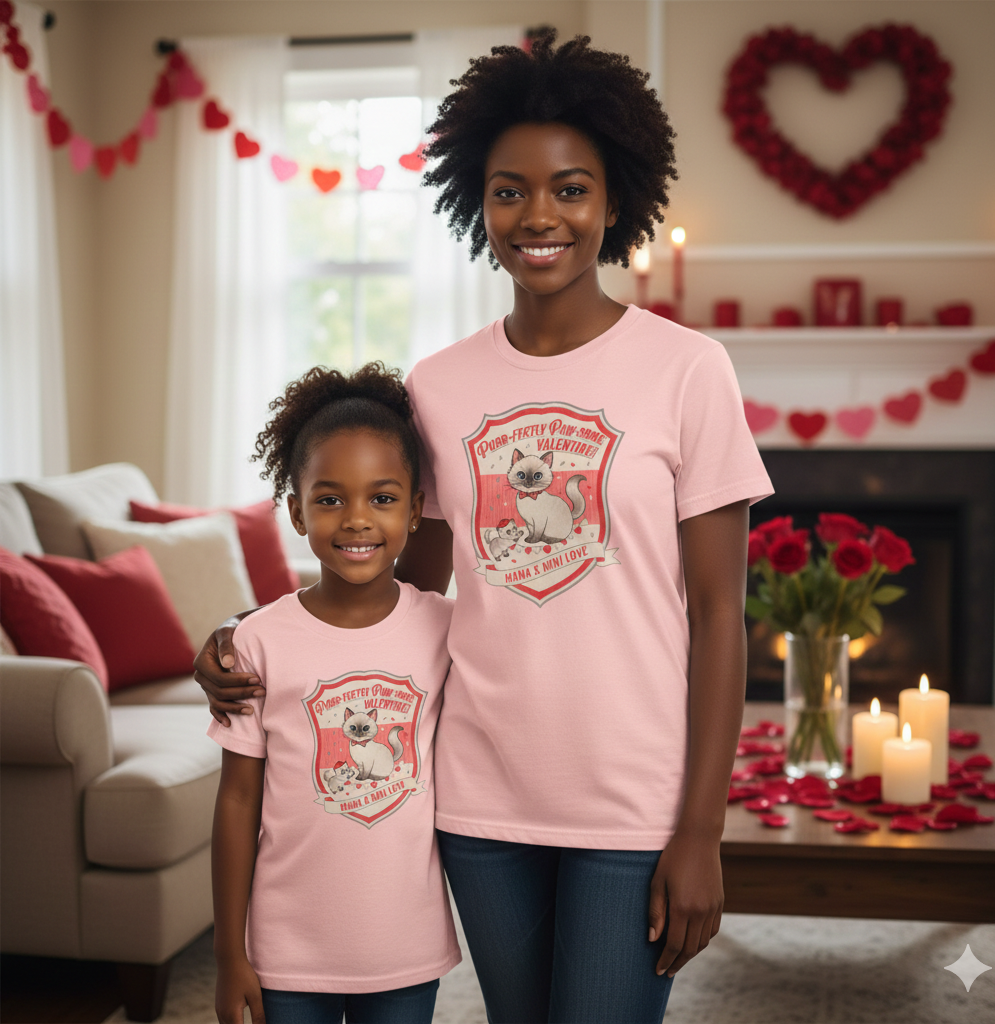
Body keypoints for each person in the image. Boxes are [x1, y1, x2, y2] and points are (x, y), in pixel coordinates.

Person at [198, 31, 772, 1024]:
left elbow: (722, 614)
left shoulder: (688, 371)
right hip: (476, 800)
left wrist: (700, 829)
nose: (538, 216)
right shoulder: (440, 385)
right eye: (509, 190)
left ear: (616, 198)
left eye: (570, 188)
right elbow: (388, 597)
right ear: (477, 201)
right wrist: (242, 641)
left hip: (631, 798)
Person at [209, 363, 461, 1024]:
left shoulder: (444, 628)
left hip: (406, 947)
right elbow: (237, 798)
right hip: (284, 952)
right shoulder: (259, 642)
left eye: (382, 498)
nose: (356, 520)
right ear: (296, 511)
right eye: (329, 499)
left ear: (415, 509)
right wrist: (229, 954)